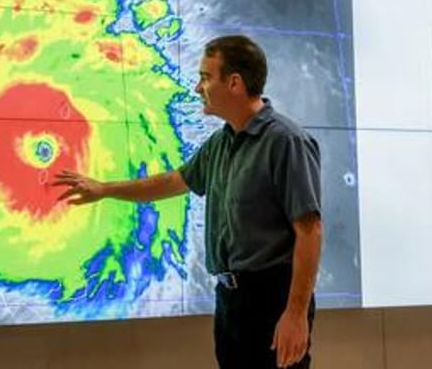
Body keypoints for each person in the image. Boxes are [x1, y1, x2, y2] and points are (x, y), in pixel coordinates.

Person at [54, 35, 322, 368]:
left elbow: (309, 231)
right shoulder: (220, 143)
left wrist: (295, 315)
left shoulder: (286, 142)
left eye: (206, 77)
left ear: (235, 83)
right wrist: (104, 189)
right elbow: (173, 181)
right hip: (230, 300)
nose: (198, 87)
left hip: (272, 298)